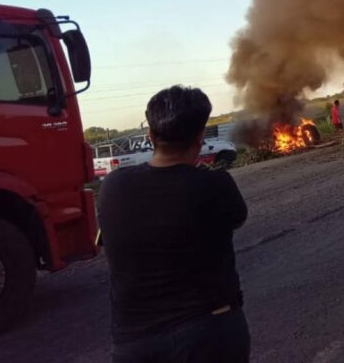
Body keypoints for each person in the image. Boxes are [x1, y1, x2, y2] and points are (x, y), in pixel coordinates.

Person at [98, 86, 249, 363]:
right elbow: (237, 218)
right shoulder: (215, 185)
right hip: (211, 334)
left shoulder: (113, 187)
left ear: (151, 136)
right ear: (200, 137)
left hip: (135, 344)